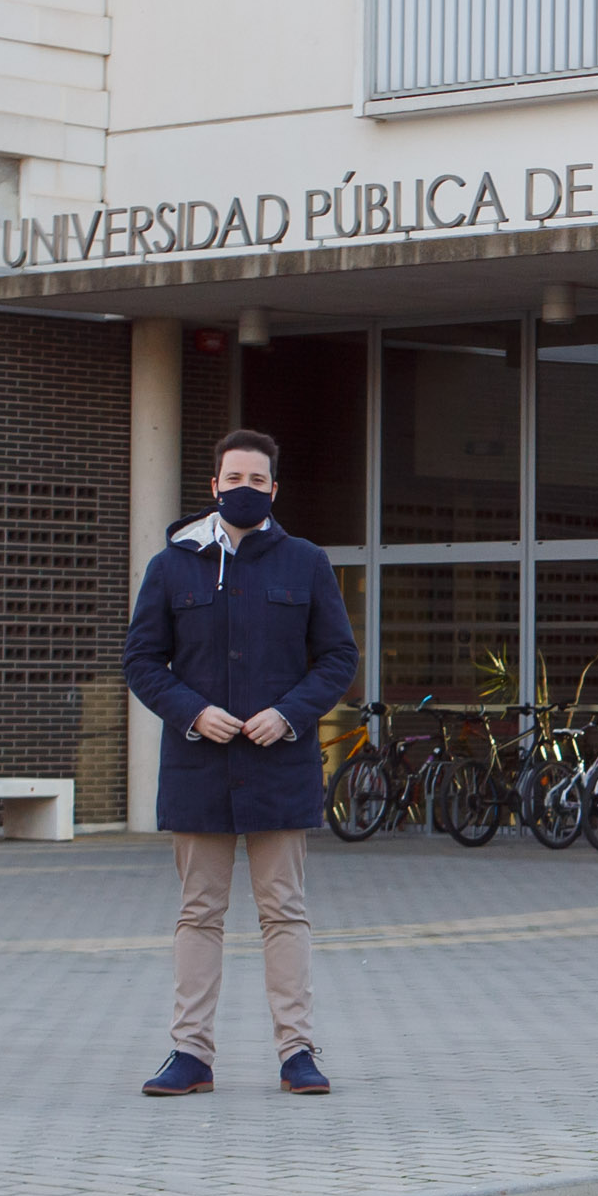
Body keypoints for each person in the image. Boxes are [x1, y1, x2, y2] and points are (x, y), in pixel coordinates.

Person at [123, 428, 359, 1096]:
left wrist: (288, 713)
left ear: (274, 489)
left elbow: (337, 658)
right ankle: (189, 1054)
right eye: (234, 478)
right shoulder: (172, 565)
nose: (244, 489)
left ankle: (297, 1051)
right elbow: (141, 660)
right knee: (198, 912)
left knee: (283, 909)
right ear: (213, 484)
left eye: (258, 481)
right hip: (199, 765)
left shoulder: (306, 562)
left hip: (278, 764)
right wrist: (192, 712)